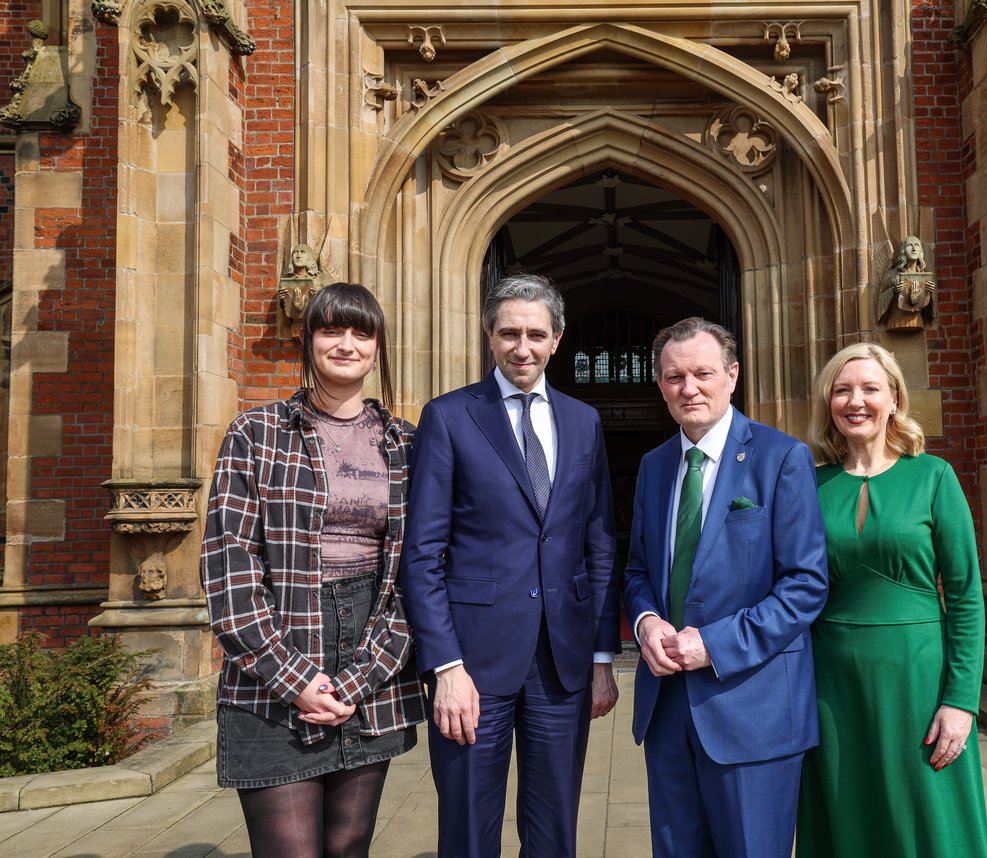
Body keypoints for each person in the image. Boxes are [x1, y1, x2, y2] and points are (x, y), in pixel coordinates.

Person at [399, 273, 620, 858]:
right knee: (470, 831)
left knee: (554, 834)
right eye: (509, 334)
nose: (522, 348)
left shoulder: (583, 421)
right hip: (472, 665)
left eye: (535, 335)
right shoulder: (449, 417)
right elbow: (421, 552)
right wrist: (444, 666)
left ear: (557, 340)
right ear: (488, 337)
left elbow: (597, 546)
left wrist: (602, 658)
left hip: (561, 663)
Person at [201, 282, 424, 857]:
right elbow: (229, 566)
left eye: (361, 332)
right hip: (277, 655)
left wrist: (360, 677)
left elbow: (418, 571)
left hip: (372, 658)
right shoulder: (257, 433)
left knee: (349, 847)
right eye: (331, 329)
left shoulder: (409, 445)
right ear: (308, 339)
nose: (346, 344)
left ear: (378, 347)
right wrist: (292, 677)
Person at [623, 317, 828, 858]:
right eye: (673, 377)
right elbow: (638, 570)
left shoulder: (781, 458)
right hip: (667, 710)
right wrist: (645, 623)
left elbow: (806, 585)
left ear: (732, 376)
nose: (688, 388)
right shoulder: (653, 465)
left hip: (752, 709)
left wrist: (712, 644)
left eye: (702, 374)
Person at [795, 342, 987, 856]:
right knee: (847, 816)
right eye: (842, 390)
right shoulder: (807, 486)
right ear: (828, 403)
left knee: (926, 819)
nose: (855, 401)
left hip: (919, 679)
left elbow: (967, 595)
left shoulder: (934, 477)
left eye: (869, 389)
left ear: (895, 399)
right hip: (830, 682)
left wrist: (961, 700)